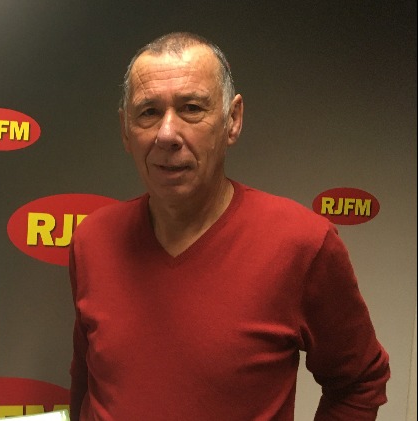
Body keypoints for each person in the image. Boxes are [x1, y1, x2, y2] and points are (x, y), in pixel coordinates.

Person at [68, 32, 390, 420]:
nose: (167, 134)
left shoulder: (302, 244)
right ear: (125, 129)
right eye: (148, 112)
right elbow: (87, 378)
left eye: (191, 108)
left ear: (232, 120)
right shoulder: (92, 239)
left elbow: (359, 383)